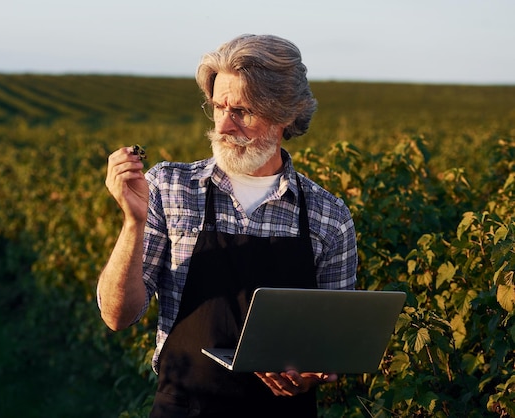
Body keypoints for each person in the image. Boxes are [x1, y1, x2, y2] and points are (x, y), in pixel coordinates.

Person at [98, 34, 358, 417]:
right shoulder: (170, 189)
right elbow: (118, 317)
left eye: (242, 111)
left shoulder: (328, 217)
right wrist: (133, 223)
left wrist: (310, 376)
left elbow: (333, 346)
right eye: (218, 107)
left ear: (285, 114)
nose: (224, 125)